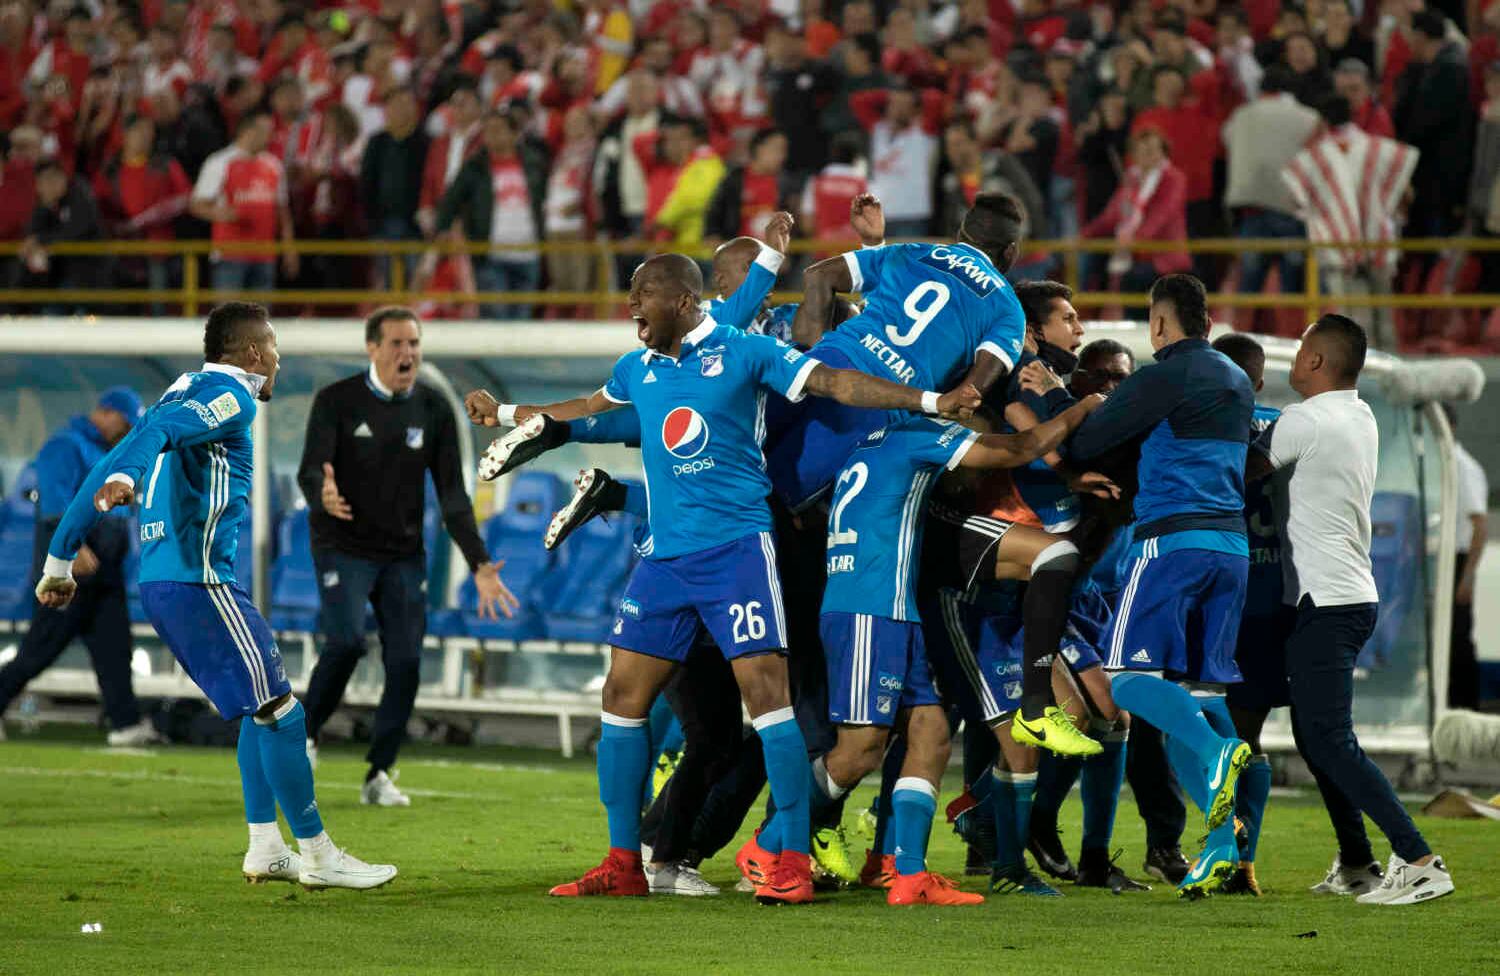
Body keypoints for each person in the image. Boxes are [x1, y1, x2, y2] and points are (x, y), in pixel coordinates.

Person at [465, 252, 980, 903]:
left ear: (680, 301)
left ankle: (790, 857)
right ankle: (624, 862)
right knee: (622, 700)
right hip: (665, 561)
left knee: (768, 700)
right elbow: (585, 408)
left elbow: (836, 383)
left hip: (735, 553)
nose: (631, 312)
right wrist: (508, 413)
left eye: (639, 298)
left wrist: (932, 400)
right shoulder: (639, 368)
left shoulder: (745, 353)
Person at [33, 302, 396, 890]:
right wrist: (125, 480)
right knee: (284, 712)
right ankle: (319, 853)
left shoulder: (175, 393)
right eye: (273, 347)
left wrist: (59, 558)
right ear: (252, 353)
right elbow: (151, 440)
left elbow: (120, 451)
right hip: (199, 582)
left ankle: (265, 846)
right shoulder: (233, 396)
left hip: (166, 582)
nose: (278, 360)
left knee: (260, 709)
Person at [802, 391, 1109, 906]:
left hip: (937, 608)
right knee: (864, 749)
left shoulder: (901, 456)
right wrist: (1083, 406)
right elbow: (1017, 448)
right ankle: (779, 838)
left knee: (933, 734)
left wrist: (1066, 473)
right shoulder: (930, 458)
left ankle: (915, 866)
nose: (969, 444)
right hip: (918, 606)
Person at [1247, 314, 1455, 906]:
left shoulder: (1305, 418)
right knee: (1318, 740)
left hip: (1330, 601)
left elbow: (1241, 471)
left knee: (1330, 739)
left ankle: (1419, 861)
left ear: (1314, 361)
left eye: (1302, 349)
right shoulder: (1357, 414)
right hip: (1343, 596)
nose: (1294, 361)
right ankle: (1359, 863)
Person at [1061, 273, 1256, 900]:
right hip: (1230, 550)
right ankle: (1223, 844)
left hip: (1171, 543)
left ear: (1161, 325)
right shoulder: (1234, 378)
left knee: (1126, 681)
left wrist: (1081, 405)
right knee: (1193, 699)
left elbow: (1091, 441)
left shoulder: (1165, 374)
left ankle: (1218, 755)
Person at [297, 306, 518, 805]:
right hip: (342, 546)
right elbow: (311, 470)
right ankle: (305, 736)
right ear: (373, 348)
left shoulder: (433, 409)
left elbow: (453, 498)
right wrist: (321, 496)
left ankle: (379, 774)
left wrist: (480, 563)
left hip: (402, 555)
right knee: (347, 642)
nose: (408, 353)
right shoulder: (337, 401)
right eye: (397, 343)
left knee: (407, 661)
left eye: (414, 344)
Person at [0, 389, 158, 746]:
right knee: (39, 650)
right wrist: (72, 547)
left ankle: (125, 724)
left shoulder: (111, 452)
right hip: (73, 563)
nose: (126, 430)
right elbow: (56, 501)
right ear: (105, 413)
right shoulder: (65, 445)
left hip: (106, 567)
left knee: (116, 648)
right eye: (125, 422)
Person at [1213, 333, 1290, 897]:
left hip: (1226, 597)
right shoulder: (1286, 425)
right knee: (1244, 733)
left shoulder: (1196, 426)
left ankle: (1234, 857)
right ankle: (1237, 858)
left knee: (1222, 731)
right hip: (1268, 596)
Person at [190, 110, 299, 293]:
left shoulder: (273, 165)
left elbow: (282, 211)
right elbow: (196, 204)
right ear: (248, 131)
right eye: (266, 131)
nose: (270, 137)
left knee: (261, 317)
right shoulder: (220, 162)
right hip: (230, 254)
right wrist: (220, 213)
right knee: (230, 316)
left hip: (265, 254)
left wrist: (289, 248)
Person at [1446, 406, 1489, 711]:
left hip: (1458, 560)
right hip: (1442, 558)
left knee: (1459, 638)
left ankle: (1467, 707)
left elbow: (1479, 526)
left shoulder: (1464, 467)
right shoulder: (1444, 465)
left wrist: (1468, 577)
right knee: (1444, 639)